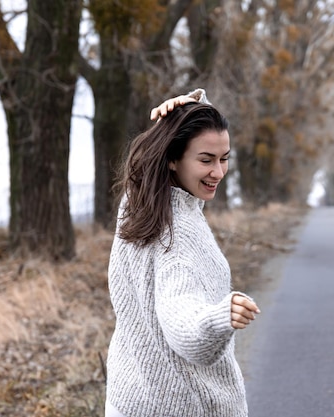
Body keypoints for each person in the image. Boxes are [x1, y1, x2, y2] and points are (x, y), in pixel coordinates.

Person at [105, 89, 261, 417]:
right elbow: (184, 325)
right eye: (206, 160)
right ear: (172, 158)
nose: (218, 172)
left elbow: (144, 163)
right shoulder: (177, 237)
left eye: (224, 158)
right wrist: (219, 317)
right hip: (186, 408)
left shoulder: (137, 204)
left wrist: (189, 105)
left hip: (131, 400)